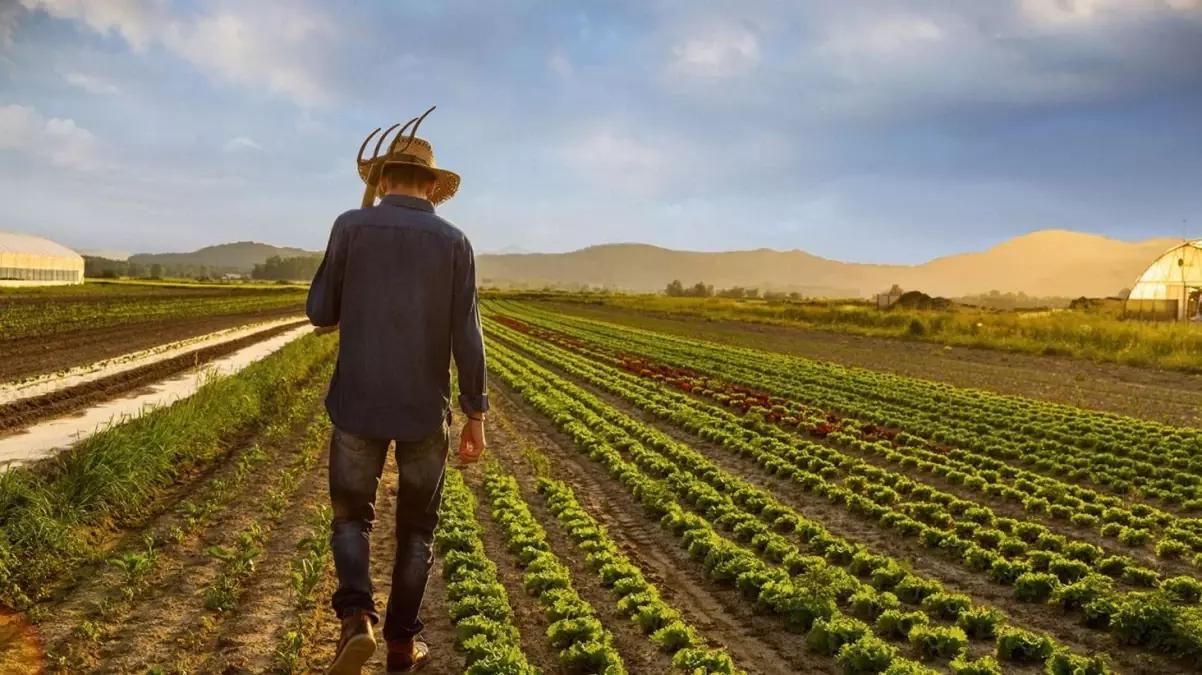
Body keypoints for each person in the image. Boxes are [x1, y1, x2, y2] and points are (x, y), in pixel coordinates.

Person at [306, 121, 488, 674]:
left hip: (358, 402)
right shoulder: (455, 241)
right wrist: (475, 413)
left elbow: (320, 312)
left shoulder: (350, 225)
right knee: (416, 530)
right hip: (422, 412)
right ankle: (402, 646)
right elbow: (467, 334)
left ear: (382, 179)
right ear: (431, 186)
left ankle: (356, 618)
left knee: (350, 519)